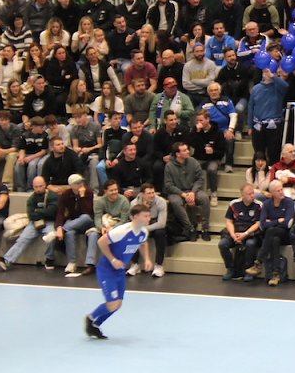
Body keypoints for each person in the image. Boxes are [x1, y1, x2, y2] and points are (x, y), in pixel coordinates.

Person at [83, 203, 152, 339]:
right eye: (145, 216)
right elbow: (101, 241)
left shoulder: (143, 232)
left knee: (117, 304)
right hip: (107, 270)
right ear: (135, 217)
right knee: (113, 303)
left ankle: (95, 325)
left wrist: (147, 259)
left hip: (119, 271)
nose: (149, 218)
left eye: (149, 216)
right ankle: (90, 318)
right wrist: (113, 259)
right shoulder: (122, 231)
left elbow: (143, 243)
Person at [0, 176, 57, 271]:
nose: (38, 189)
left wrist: (37, 211)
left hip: (49, 221)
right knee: (22, 239)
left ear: (45, 185)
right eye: (36, 187)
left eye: (40, 186)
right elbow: (31, 215)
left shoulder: (52, 196)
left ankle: (49, 258)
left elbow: (52, 212)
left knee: (51, 236)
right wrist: (43, 212)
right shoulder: (32, 198)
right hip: (34, 223)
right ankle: (6, 260)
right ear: (33, 187)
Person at [164, 141, 210, 242]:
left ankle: (205, 228)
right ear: (177, 154)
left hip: (193, 190)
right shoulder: (169, 166)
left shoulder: (193, 161)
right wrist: (183, 195)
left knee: (204, 198)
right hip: (177, 192)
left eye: (187, 149)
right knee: (175, 202)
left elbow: (200, 179)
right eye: (184, 150)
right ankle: (190, 229)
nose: (188, 151)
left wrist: (193, 192)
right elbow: (169, 185)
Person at [126, 183, 168, 278]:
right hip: (140, 225)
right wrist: (143, 209)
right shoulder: (134, 204)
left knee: (160, 233)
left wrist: (145, 228)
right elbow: (133, 221)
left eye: (153, 192)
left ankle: (159, 265)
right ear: (142, 194)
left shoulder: (161, 202)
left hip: (155, 224)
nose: (152, 195)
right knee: (133, 233)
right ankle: (135, 264)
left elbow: (162, 223)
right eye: (149, 193)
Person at [247, 67, 287, 165]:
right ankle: (258, 172)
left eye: (269, 72)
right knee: (258, 153)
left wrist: (273, 77)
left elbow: (285, 86)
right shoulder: (256, 88)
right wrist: (250, 126)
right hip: (258, 125)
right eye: (265, 71)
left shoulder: (278, 87)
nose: (267, 73)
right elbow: (251, 107)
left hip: (274, 125)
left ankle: (273, 171)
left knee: (274, 152)